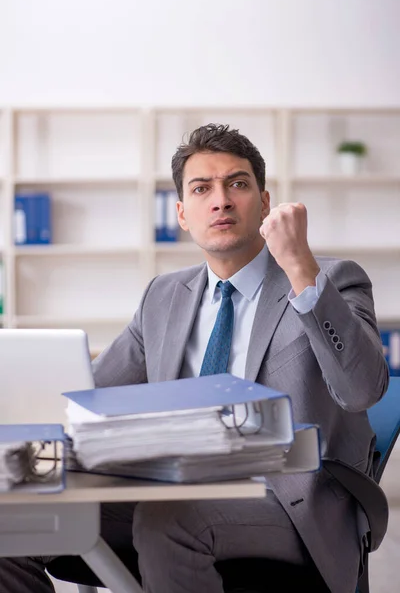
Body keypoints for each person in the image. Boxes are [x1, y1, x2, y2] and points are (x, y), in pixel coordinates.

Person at [0, 124, 389, 593]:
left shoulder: (327, 279)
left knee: (169, 521)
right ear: (183, 213)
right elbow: (90, 394)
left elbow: (363, 389)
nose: (221, 200)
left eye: (238, 184)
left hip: (289, 501)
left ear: (265, 204)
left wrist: (301, 269)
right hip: (171, 489)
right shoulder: (163, 296)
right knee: (13, 518)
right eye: (202, 188)